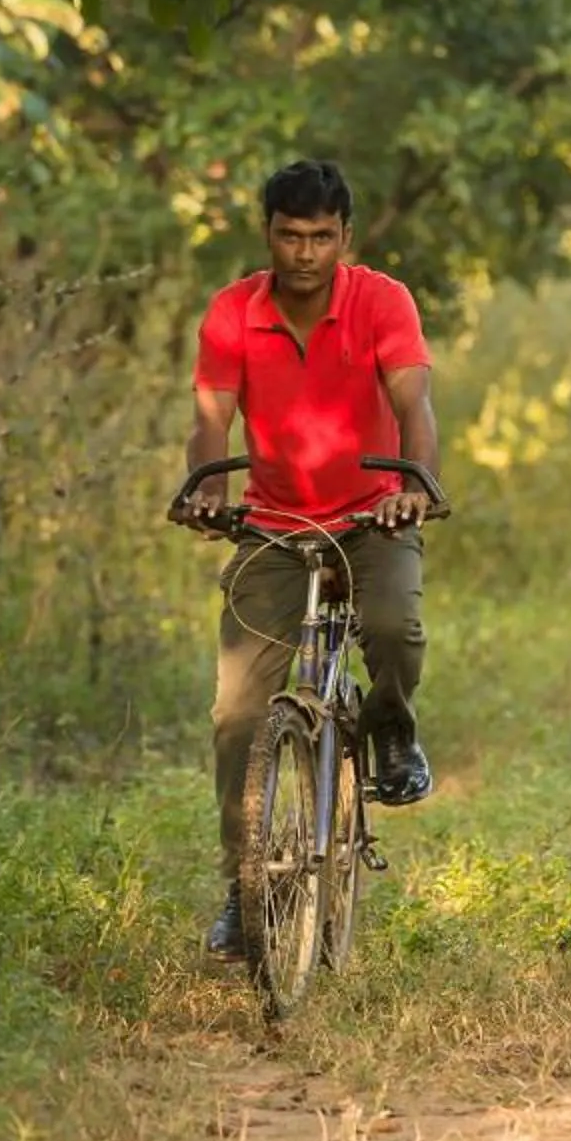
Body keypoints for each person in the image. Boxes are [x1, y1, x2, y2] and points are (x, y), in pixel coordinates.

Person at [180, 160, 441, 957]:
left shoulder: (382, 301)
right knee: (236, 714)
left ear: (345, 238)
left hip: (373, 511)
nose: (304, 253)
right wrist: (206, 489)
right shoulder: (233, 313)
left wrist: (414, 484)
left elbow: (414, 402)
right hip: (273, 522)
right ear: (268, 234)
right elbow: (210, 419)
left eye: (321, 237)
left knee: (394, 626)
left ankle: (390, 727)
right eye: (290, 236)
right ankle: (243, 888)